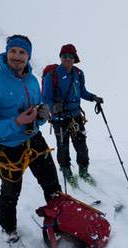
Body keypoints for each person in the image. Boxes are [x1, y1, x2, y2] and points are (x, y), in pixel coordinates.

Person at [0, 34, 61, 242]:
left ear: (28, 56)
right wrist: (16, 122)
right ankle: (8, 227)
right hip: (8, 146)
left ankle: (60, 220)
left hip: (34, 138)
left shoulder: (32, 80)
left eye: (22, 52)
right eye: (13, 51)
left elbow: (35, 112)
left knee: (52, 185)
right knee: (11, 192)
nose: (17, 56)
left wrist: (41, 116)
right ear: (6, 52)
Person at [42, 44, 103, 188]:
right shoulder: (52, 76)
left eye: (70, 56)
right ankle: (66, 170)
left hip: (76, 116)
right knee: (63, 146)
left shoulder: (79, 74)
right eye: (64, 56)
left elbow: (82, 91)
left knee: (81, 144)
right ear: (60, 57)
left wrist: (93, 97)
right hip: (59, 118)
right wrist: (54, 108)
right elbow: (45, 99)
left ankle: (83, 171)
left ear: (75, 58)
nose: (67, 59)